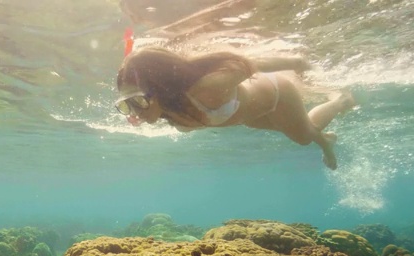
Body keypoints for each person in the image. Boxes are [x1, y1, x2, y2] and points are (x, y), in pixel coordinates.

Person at [115, 47, 356, 170]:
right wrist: (141, 109)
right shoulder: (166, 108)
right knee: (295, 132)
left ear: (160, 87)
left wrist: (297, 63)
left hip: (276, 95)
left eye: (137, 101)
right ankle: (324, 135)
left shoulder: (208, 89)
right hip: (248, 115)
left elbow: (253, 64)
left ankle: (337, 108)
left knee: (304, 137)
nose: (134, 111)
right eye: (126, 104)